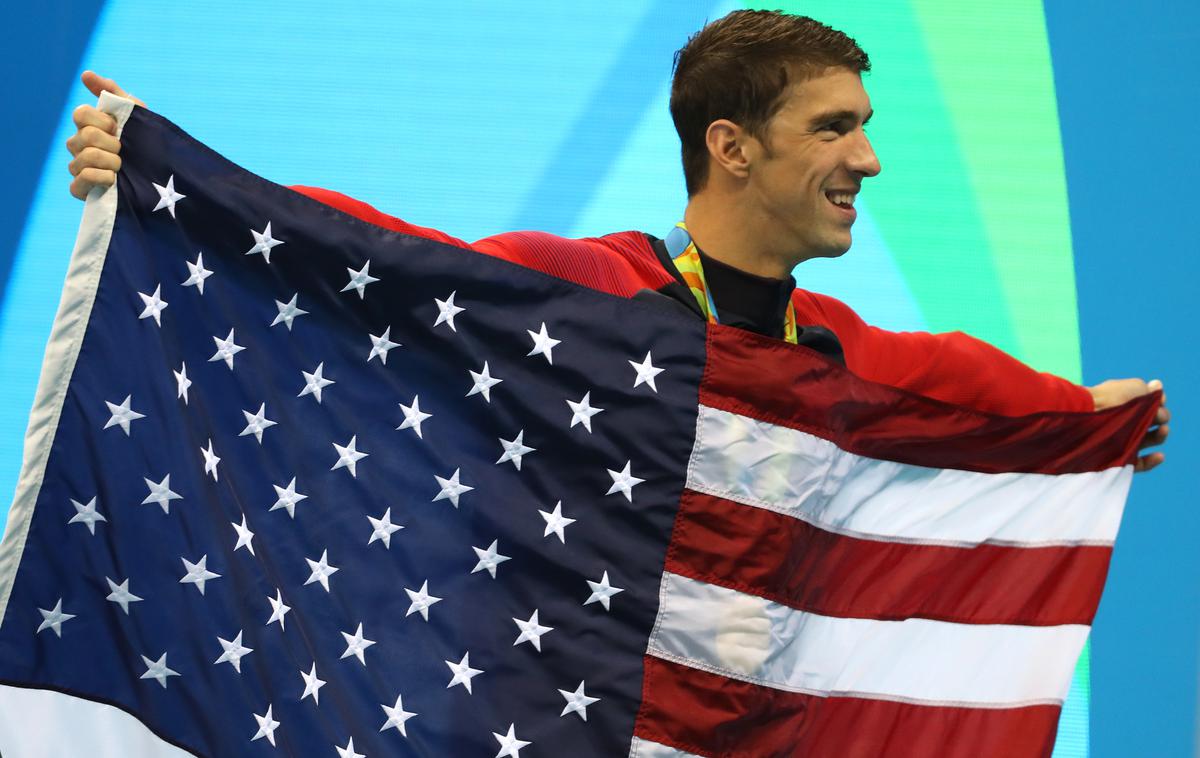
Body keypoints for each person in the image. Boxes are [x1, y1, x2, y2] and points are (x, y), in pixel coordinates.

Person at [64, 10, 1168, 470]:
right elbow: (380, 246)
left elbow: (950, 372)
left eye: (867, 128)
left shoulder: (827, 345)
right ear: (730, 147)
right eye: (835, 127)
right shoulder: (588, 285)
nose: (868, 160)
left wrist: (1081, 414)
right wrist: (163, 177)